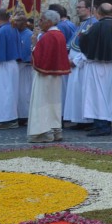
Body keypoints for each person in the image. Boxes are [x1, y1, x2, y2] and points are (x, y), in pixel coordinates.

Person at [78, 3, 112, 136]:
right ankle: (104, 123)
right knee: (107, 96)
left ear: (98, 12)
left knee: (97, 96)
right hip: (109, 66)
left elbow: (85, 43)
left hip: (96, 65)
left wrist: (83, 35)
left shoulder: (97, 26)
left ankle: (102, 125)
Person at [28, 10, 71, 143]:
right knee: (54, 102)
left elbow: (40, 57)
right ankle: (55, 129)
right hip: (55, 75)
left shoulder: (48, 36)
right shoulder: (59, 35)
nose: (39, 23)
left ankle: (43, 131)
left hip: (45, 74)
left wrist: (34, 44)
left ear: (49, 22)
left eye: (41, 20)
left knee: (42, 102)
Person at [63, 0, 96, 130]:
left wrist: (76, 61)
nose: (77, 10)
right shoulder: (82, 24)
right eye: (77, 7)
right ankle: (80, 120)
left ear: (88, 8)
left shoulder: (92, 24)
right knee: (76, 93)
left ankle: (87, 121)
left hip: (82, 65)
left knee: (84, 93)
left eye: (80, 7)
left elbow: (90, 48)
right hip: (74, 65)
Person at [13, 12, 33, 125]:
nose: (16, 23)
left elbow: (27, 51)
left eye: (19, 20)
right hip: (15, 67)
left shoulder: (29, 35)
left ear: (25, 23)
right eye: (15, 20)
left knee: (24, 93)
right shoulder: (14, 33)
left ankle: (24, 116)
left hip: (25, 67)